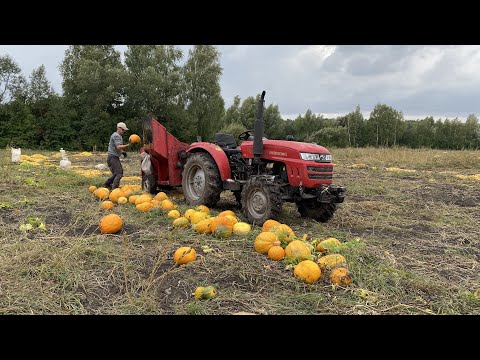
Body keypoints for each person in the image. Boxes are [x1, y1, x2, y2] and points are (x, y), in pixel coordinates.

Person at [104, 122, 130, 190]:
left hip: (112, 157)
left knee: (116, 174)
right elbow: (118, 147)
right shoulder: (116, 136)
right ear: (118, 128)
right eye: (123, 130)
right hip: (113, 157)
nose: (124, 131)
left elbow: (116, 148)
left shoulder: (118, 136)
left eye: (124, 130)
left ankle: (107, 184)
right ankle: (115, 189)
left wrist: (122, 152)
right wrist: (128, 145)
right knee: (119, 173)